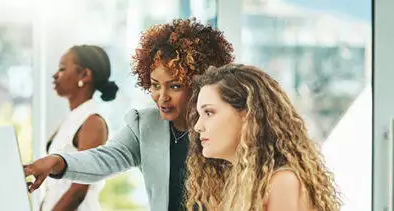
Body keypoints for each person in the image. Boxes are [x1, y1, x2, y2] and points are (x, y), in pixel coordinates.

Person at [24, 18, 234, 211]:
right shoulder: (145, 125)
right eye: (154, 85)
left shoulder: (225, 124)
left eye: (175, 86)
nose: (162, 97)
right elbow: (103, 159)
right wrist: (57, 161)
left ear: (199, 83)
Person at [185, 64, 341, 211]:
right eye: (199, 115)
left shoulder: (282, 182)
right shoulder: (243, 182)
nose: (198, 126)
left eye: (209, 113)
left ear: (247, 115)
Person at [40, 45, 119, 211]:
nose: (55, 75)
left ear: (85, 75)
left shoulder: (93, 121)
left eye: (62, 69)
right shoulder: (70, 119)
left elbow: (79, 189)